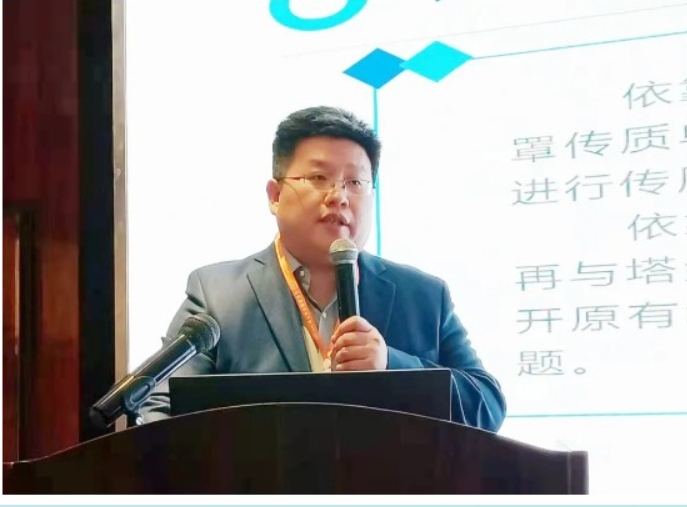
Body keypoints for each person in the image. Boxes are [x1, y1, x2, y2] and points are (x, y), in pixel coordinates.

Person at [139, 106, 506, 431]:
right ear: (275, 196)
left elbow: (486, 407)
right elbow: (161, 407)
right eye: (318, 178)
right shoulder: (217, 294)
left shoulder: (424, 295)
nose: (339, 196)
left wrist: (390, 363)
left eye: (355, 182)